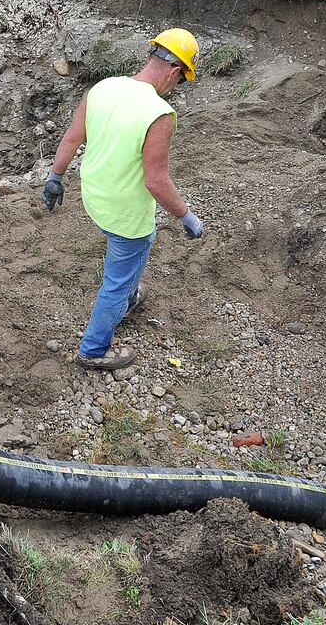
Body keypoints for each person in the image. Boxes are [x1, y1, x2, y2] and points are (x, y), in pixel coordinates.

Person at [42, 29, 207, 371]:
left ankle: (129, 298)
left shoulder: (103, 88)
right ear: (175, 71)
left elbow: (72, 139)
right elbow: (156, 181)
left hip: (95, 197)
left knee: (125, 262)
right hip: (126, 214)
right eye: (181, 81)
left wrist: (55, 178)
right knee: (120, 273)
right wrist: (187, 217)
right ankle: (93, 349)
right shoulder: (159, 114)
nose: (176, 88)